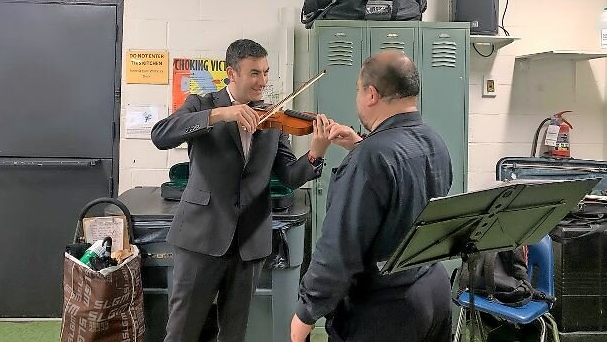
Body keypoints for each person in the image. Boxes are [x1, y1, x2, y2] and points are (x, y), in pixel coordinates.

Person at [151, 39, 332, 342]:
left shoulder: (273, 117)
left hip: (249, 242)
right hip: (200, 238)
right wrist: (222, 114)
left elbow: (288, 175)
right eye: (254, 73)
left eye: (265, 72)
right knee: (182, 332)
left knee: (234, 334)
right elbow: (161, 135)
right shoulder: (202, 105)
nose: (263, 82)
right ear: (230, 73)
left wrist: (315, 153)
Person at [291, 51, 454, 342]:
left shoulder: (369, 158)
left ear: (371, 94)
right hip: (434, 290)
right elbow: (406, 194)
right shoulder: (434, 141)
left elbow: (339, 248)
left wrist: (305, 313)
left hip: (386, 307)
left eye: (357, 89)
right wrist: (360, 145)